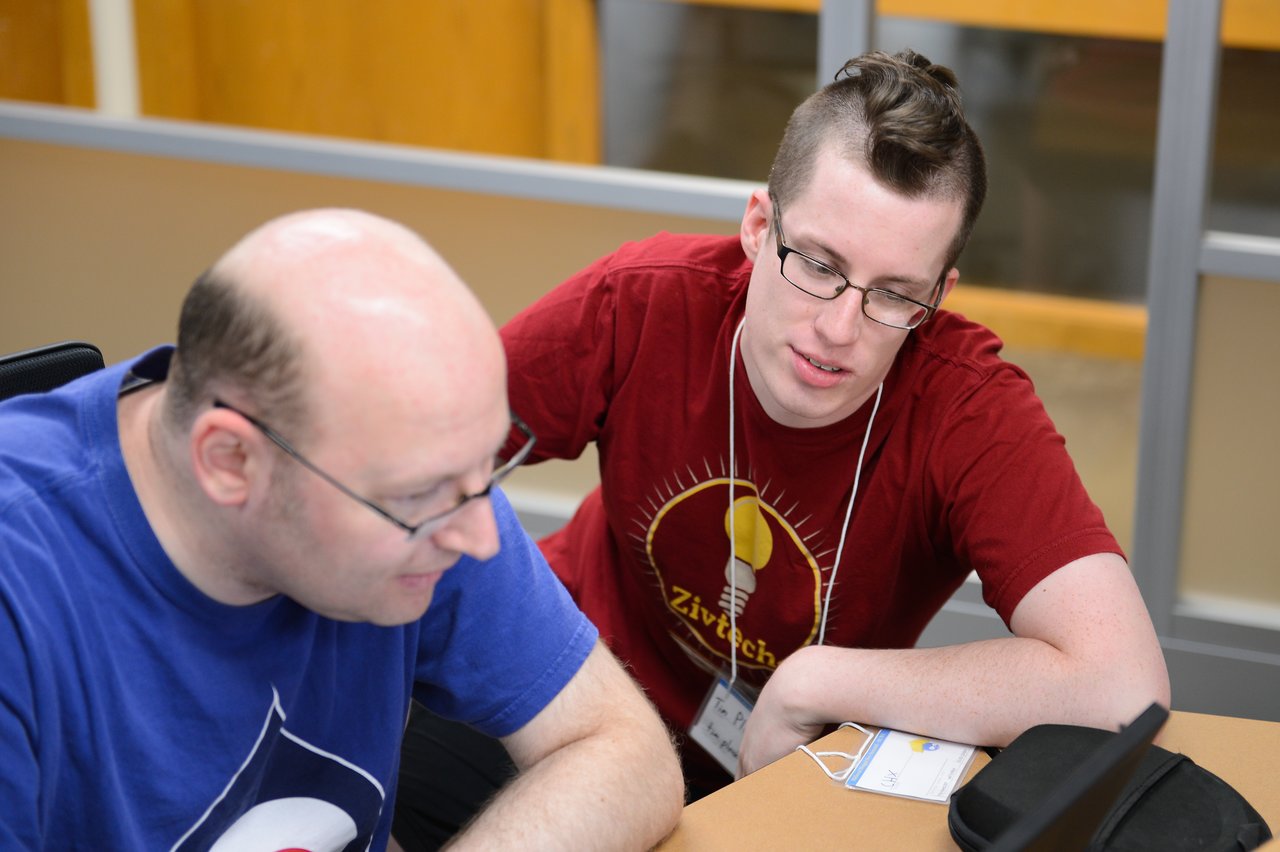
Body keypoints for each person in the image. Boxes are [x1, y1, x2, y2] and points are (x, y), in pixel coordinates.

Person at [396, 46, 1172, 811]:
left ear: (941, 291)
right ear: (759, 226)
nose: (839, 328)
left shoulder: (966, 404)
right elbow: (405, 458)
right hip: (570, 689)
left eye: (896, 294)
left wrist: (818, 680)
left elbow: (1123, 683)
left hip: (785, 758)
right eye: (819, 264)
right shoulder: (642, 302)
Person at [0, 209, 683, 849]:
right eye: (420, 495)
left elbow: (623, 749)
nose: (480, 538)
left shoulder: (431, 481)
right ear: (231, 460)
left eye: (485, 469)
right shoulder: (24, 595)